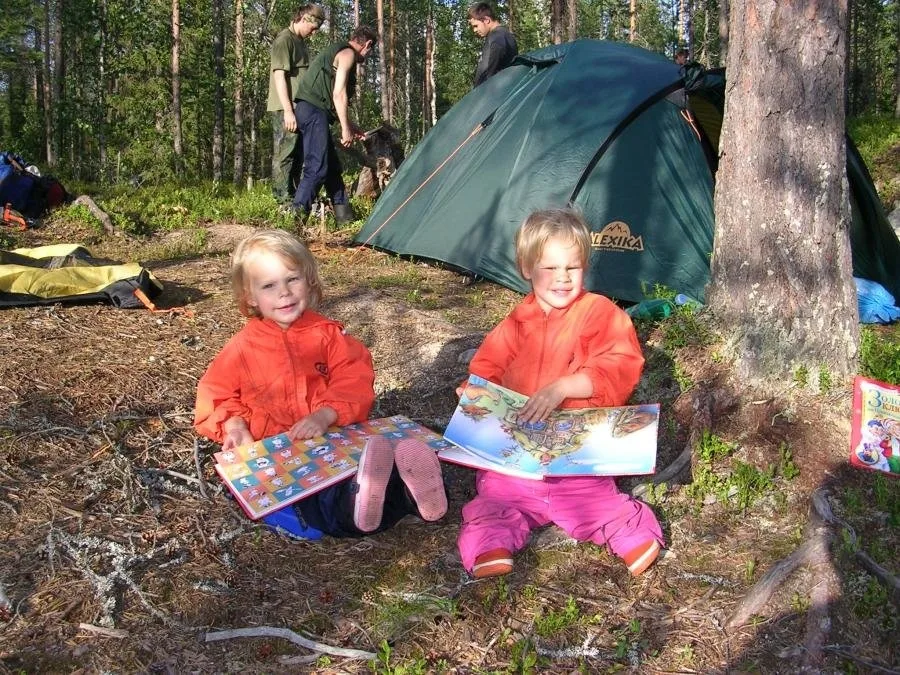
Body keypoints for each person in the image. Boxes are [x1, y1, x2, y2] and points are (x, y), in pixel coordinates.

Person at [194, 229, 447, 537]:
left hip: (334, 439)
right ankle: (361, 505)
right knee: (318, 501)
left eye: (292, 279)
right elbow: (215, 393)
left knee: (364, 468)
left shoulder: (327, 335)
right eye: (269, 285)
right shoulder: (242, 347)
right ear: (251, 297)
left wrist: (327, 413)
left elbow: (354, 376)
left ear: (309, 280)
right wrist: (234, 425)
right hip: (280, 455)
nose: (284, 293)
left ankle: (410, 493)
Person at [456, 208, 664, 579]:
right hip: (517, 457)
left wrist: (567, 385)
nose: (563, 278)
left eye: (573, 267)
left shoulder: (601, 313)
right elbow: (485, 369)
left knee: (598, 504)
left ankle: (631, 534)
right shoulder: (515, 323)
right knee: (494, 501)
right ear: (526, 268)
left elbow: (620, 364)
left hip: (577, 455)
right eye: (550, 268)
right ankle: (491, 545)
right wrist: (477, 398)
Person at [290, 26, 378, 224]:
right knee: (317, 167)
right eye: (371, 50)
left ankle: (345, 218)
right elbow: (338, 94)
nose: (368, 55)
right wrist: (345, 130)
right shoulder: (347, 53)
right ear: (368, 44)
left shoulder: (338, 51)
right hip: (313, 112)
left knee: (331, 168)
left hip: (311, 110)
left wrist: (351, 125)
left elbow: (330, 96)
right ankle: (294, 220)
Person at [266, 4, 326, 206]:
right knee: (285, 154)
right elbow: (279, 76)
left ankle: (294, 199)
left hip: (299, 108)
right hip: (286, 108)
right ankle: (281, 201)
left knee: (299, 154)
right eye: (313, 27)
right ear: (303, 19)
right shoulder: (284, 40)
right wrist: (289, 111)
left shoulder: (300, 42)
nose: (314, 32)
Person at [468, 2, 518, 88]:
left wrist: (481, 91)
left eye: (476, 26)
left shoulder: (496, 36)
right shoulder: (504, 34)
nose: (474, 30)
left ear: (486, 20)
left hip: (492, 95)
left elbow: (487, 71)